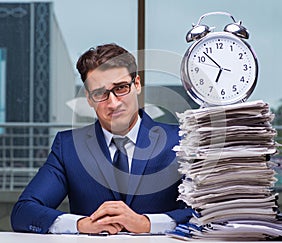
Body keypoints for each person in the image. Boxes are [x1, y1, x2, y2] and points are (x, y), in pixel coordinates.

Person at [11, 43, 193, 234]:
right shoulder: (69, 147)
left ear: (137, 84)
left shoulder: (182, 141)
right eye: (100, 93)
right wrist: (80, 224)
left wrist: (147, 224)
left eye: (121, 88)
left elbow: (207, 214)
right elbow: (23, 212)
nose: (113, 103)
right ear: (89, 99)